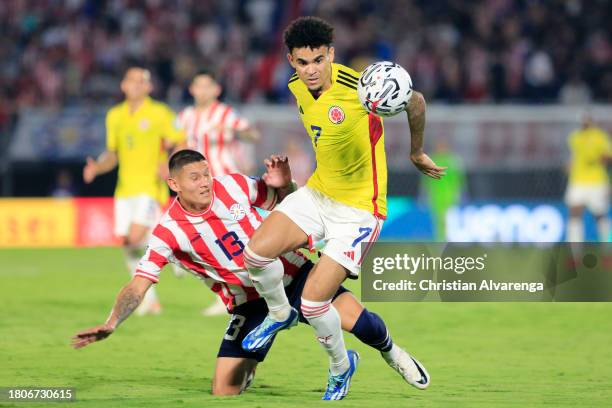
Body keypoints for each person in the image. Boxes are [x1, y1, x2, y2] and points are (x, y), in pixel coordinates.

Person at [71, 149, 429, 396]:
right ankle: (254, 359)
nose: (205, 182)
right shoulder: (168, 231)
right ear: (174, 184)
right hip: (248, 306)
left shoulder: (235, 186)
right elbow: (140, 283)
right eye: (194, 177)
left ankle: (392, 353)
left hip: (294, 276)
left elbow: (287, 208)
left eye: (206, 173)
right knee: (223, 390)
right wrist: (112, 322)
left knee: (359, 322)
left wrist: (285, 183)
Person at [240, 17, 443, 400]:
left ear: (331, 54)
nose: (311, 69)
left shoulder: (361, 90)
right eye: (303, 62)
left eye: (319, 59)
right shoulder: (296, 88)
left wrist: (415, 150)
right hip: (318, 194)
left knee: (315, 303)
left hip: (359, 211)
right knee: (254, 254)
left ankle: (343, 367)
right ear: (291, 62)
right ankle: (279, 313)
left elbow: (415, 100)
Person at [83, 66, 186, 315]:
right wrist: (97, 167)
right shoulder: (115, 116)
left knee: (136, 237)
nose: (136, 85)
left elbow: (181, 140)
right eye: (132, 80)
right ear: (123, 85)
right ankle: (151, 299)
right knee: (128, 244)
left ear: (149, 87)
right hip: (124, 189)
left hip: (149, 188)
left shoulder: (159, 113)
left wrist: (171, 164)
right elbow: (113, 154)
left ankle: (173, 252)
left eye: (142, 81)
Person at [177, 69, 261, 316]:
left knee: (235, 238)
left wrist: (234, 131)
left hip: (224, 183)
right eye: (198, 86)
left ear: (216, 90)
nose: (202, 91)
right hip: (196, 188)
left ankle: (253, 287)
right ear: (192, 89)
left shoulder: (224, 114)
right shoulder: (185, 117)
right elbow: (174, 143)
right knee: (208, 241)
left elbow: (252, 134)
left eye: (207, 86)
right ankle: (231, 293)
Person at [565, 113, 611, 242]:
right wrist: (570, 165)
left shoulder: (600, 137)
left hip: (597, 181)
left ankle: (608, 247)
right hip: (578, 180)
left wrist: (598, 158)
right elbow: (574, 156)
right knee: (574, 213)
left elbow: (608, 155)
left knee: (600, 216)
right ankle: (575, 253)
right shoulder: (575, 137)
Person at [421, 138, 466, 241]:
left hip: (450, 196)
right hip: (436, 196)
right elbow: (426, 181)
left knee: (450, 220)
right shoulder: (431, 160)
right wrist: (424, 195)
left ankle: (449, 239)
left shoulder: (453, 161)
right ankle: (440, 240)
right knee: (438, 220)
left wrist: (461, 193)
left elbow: (459, 179)